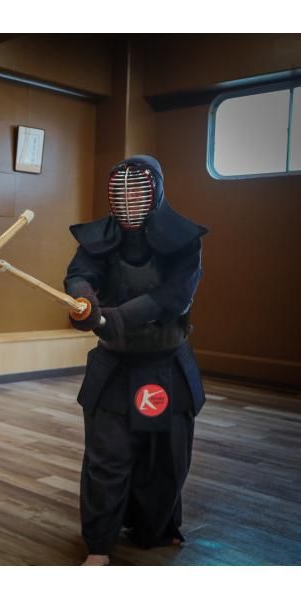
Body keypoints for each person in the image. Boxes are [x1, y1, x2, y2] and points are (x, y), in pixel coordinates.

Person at [64, 155, 207, 565]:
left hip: (166, 364)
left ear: (155, 192)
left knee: (167, 459)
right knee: (106, 458)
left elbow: (174, 297)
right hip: (115, 365)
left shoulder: (183, 241)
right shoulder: (98, 239)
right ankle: (98, 545)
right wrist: (84, 301)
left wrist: (118, 317)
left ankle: (157, 527)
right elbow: (80, 274)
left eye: (138, 191)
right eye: (121, 192)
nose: (129, 200)